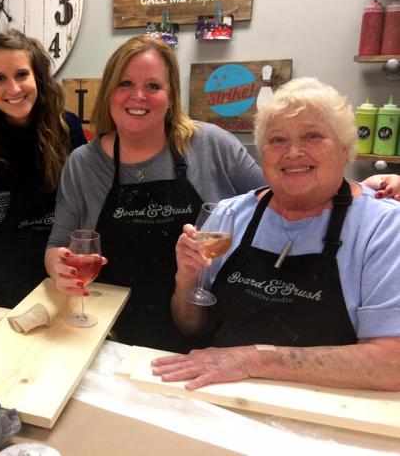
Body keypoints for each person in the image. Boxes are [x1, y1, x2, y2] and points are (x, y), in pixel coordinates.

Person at [45, 35, 400, 354]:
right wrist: (59, 267)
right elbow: (57, 245)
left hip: (197, 338)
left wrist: (357, 192)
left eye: (153, 85)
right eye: (125, 84)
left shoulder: (209, 144)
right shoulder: (84, 163)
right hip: (112, 333)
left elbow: (285, 187)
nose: (138, 96)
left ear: (171, 98)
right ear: (109, 92)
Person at [155, 78, 400, 391]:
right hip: (222, 401)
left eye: (312, 136)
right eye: (278, 140)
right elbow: (191, 327)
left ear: (345, 150)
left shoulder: (383, 228)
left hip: (327, 412)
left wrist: (253, 360)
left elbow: (391, 363)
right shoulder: (229, 215)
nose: (293, 152)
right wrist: (187, 280)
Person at [0, 29, 86, 314]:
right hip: (0, 278)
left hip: (64, 272)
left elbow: (86, 204)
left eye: (21, 74)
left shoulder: (67, 129)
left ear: (38, 77)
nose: (13, 88)